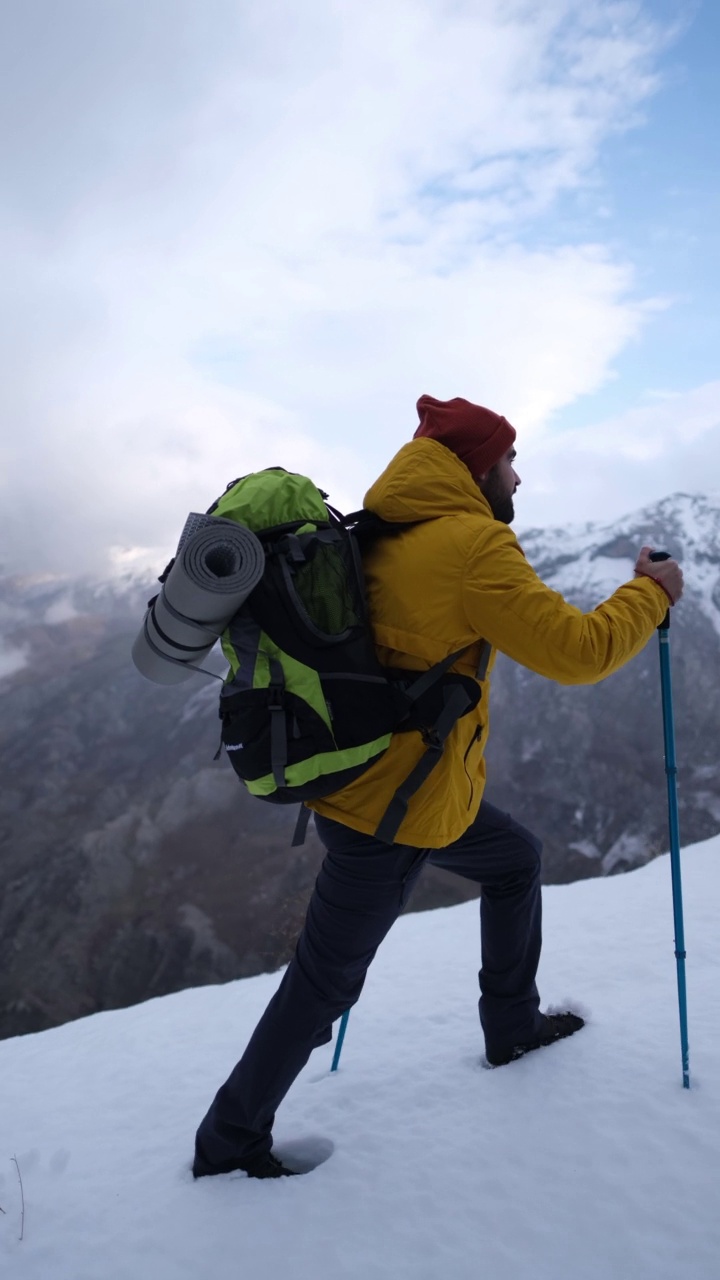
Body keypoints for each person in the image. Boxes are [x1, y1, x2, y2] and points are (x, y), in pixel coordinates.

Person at [193, 393, 684, 1180]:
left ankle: (512, 1025)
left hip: (392, 790)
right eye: (509, 462)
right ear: (476, 468)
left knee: (516, 858)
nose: (518, 478)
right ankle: (227, 1141)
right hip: (392, 813)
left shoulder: (381, 528)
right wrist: (651, 592)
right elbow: (578, 653)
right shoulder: (472, 546)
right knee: (323, 985)